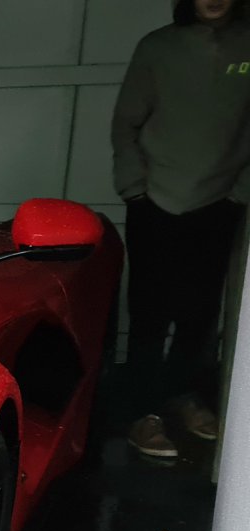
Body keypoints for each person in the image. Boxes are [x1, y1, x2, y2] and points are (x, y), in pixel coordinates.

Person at [112, 0, 250, 458]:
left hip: (220, 202)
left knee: (200, 313)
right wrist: (134, 189)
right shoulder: (158, 47)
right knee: (149, 312)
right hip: (154, 199)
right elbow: (126, 123)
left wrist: (239, 193)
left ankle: (184, 396)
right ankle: (142, 414)